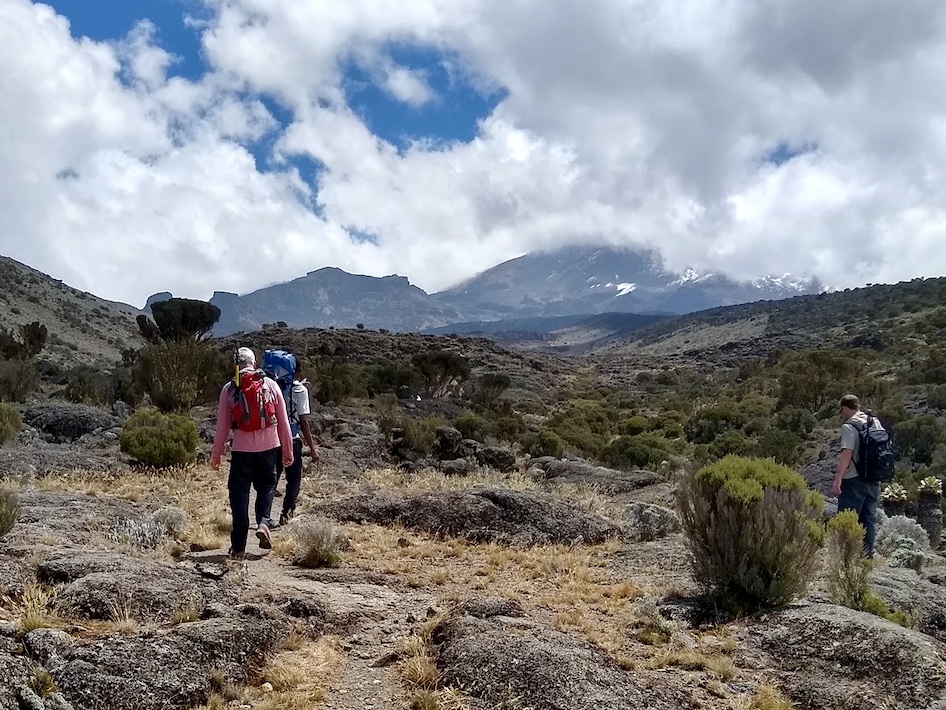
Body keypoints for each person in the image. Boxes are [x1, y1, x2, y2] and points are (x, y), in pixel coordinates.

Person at [211, 347, 293, 560]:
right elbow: (283, 422)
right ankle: (264, 522)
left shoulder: (229, 389)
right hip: (269, 449)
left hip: (241, 451)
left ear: (236, 365)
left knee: (239, 495)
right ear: (254, 363)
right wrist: (288, 451)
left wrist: (216, 455)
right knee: (266, 486)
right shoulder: (270, 385)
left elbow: (222, 427)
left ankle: (238, 548)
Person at [832, 394, 883, 556]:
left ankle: (845, 554)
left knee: (848, 516)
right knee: (869, 518)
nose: (842, 414)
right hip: (874, 477)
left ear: (845, 408)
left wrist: (838, 477)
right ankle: (866, 555)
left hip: (853, 479)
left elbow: (847, 452)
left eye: (841, 411)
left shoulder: (849, 426)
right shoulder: (874, 421)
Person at [273, 365, 319, 527]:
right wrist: (312, 448)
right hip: (292, 439)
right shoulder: (300, 390)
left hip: (273, 439)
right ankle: (286, 513)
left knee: (272, 477)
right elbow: (304, 422)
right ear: (297, 372)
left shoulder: (271, 385)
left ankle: (263, 517)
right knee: (293, 478)